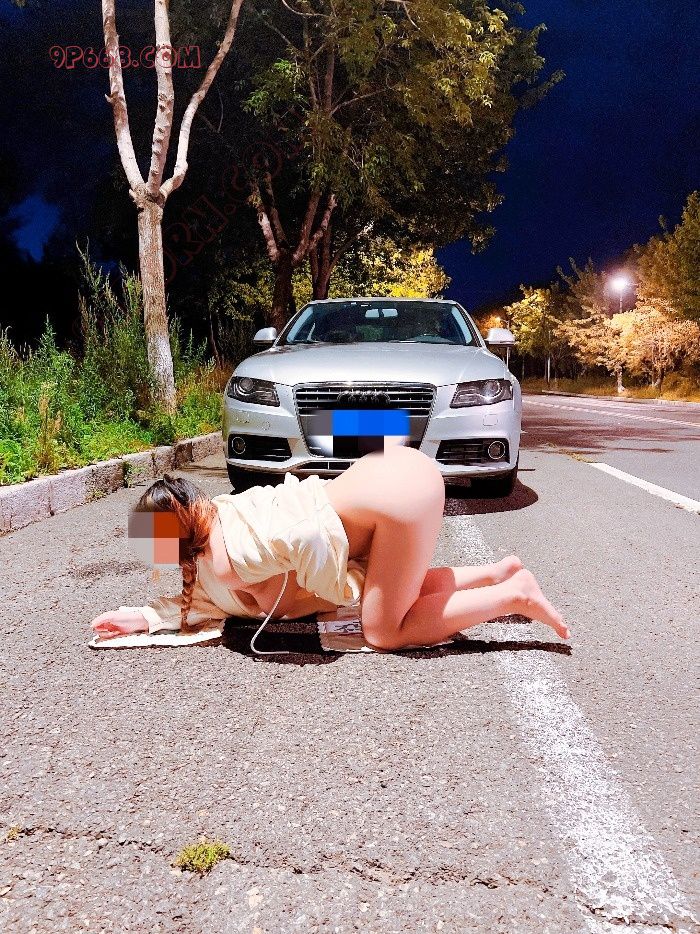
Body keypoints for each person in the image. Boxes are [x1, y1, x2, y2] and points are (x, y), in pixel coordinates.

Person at [90, 446, 570, 651]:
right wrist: (144, 616)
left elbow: (301, 554)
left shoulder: (226, 559)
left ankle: (512, 595)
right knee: (390, 587)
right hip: (394, 467)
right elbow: (197, 600)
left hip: (397, 499)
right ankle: (497, 572)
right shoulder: (226, 510)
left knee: (384, 629)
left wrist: (333, 585)